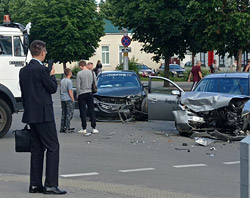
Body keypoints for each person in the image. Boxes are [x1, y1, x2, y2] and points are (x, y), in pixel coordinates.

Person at [19, 40, 66, 194]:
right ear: (43, 52)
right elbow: (52, 88)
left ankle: (35, 184)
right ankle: (51, 184)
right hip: (44, 114)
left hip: (31, 114)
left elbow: (24, 94)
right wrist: (52, 75)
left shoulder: (24, 71)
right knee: (53, 146)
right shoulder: (41, 70)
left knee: (37, 149)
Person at [77, 60, 99, 135]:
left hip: (82, 93)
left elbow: (78, 86)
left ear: (81, 66)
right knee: (91, 110)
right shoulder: (92, 73)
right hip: (90, 92)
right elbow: (95, 83)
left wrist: (77, 95)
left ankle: (84, 128)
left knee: (83, 111)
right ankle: (93, 128)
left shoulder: (79, 74)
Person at [60, 68, 75, 133]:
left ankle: (62, 127)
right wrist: (73, 98)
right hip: (68, 98)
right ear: (70, 73)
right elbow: (70, 91)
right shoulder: (69, 81)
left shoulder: (62, 80)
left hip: (63, 98)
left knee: (64, 113)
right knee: (69, 113)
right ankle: (67, 127)